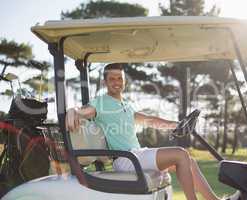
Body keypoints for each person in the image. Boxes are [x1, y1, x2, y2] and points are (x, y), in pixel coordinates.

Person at [65, 63, 222, 200]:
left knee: (190, 162)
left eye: (119, 78)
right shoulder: (100, 102)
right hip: (126, 160)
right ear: (105, 82)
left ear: (124, 81)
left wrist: (176, 125)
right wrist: (74, 111)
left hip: (137, 155)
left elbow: (149, 120)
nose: (116, 82)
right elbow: (84, 111)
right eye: (112, 79)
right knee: (180, 154)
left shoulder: (126, 105)